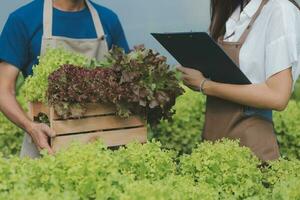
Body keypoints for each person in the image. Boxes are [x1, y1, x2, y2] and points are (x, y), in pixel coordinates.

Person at [0, 0, 129, 158]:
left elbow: (128, 82)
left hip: (103, 148)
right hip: (47, 145)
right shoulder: (23, 19)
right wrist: (31, 127)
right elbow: (3, 90)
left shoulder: (108, 20)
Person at [177, 0, 300, 161]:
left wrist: (204, 85)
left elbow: (277, 96)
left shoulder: (279, 9)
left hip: (251, 148)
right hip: (213, 142)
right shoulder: (234, 10)